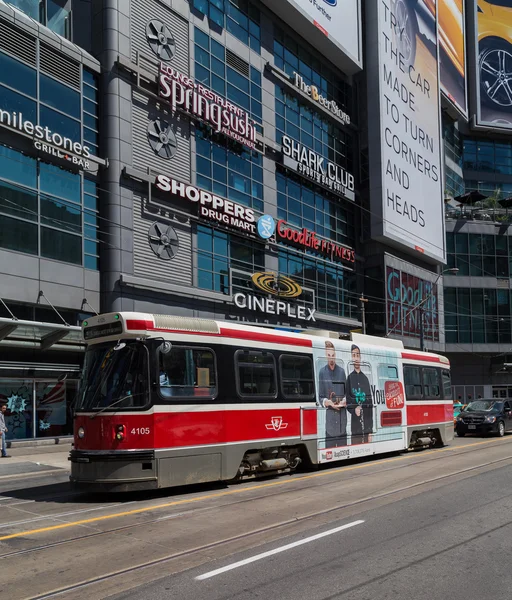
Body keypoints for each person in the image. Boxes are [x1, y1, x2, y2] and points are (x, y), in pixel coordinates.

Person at [318, 341, 347, 447]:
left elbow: (347, 394)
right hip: (330, 425)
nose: (331, 358)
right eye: (329, 355)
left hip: (341, 423)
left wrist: (344, 401)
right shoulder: (322, 372)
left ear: (335, 355)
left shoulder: (342, 372)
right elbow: (320, 397)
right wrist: (328, 402)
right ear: (326, 355)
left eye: (333, 355)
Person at [346, 345, 373, 445]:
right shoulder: (349, 378)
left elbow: (370, 405)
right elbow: (348, 402)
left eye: (357, 355)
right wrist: (354, 409)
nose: (356, 358)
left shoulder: (365, 379)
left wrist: (370, 430)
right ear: (351, 358)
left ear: (360, 357)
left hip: (366, 426)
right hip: (355, 426)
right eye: (354, 355)